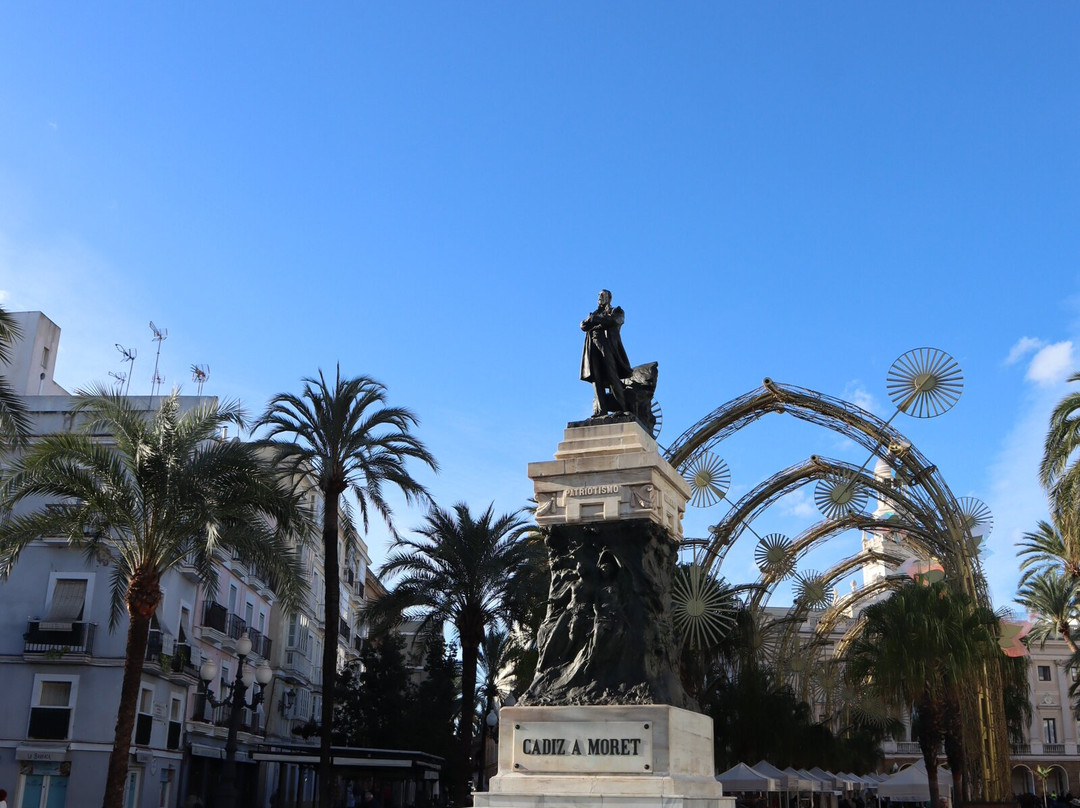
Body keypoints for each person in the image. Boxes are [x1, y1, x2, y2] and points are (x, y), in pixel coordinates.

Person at [580, 289, 632, 416]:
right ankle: (601, 410)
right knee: (595, 378)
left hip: (608, 346)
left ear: (609, 298)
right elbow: (583, 325)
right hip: (593, 346)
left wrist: (594, 319)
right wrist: (593, 319)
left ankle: (623, 408)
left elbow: (614, 320)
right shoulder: (594, 313)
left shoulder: (616, 311)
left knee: (612, 376)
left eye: (602, 295)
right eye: (598, 295)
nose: (600, 297)